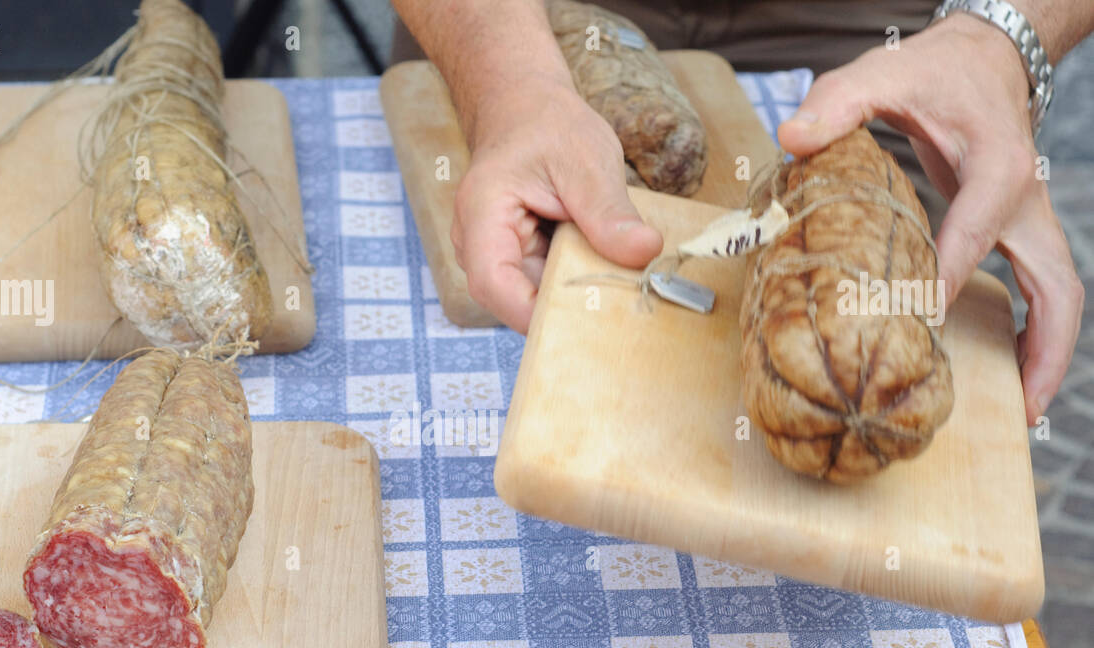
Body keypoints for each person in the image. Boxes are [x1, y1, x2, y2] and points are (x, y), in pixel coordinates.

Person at [390, 0, 1092, 425]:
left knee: (892, 369)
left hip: (871, 30)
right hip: (514, 19)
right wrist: (507, 86)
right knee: (507, 367)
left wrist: (1001, 37)